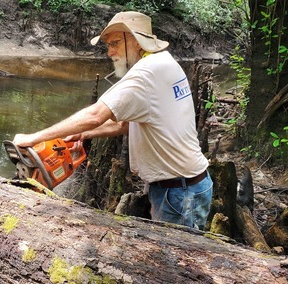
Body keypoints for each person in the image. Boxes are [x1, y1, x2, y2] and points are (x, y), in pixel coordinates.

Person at [12, 11, 213, 229]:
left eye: (115, 43)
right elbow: (124, 124)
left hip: (179, 192)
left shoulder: (147, 73)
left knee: (177, 259)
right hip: (181, 186)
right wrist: (84, 134)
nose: (109, 52)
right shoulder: (164, 62)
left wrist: (33, 138)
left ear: (136, 41)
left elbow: (95, 115)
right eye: (107, 45)